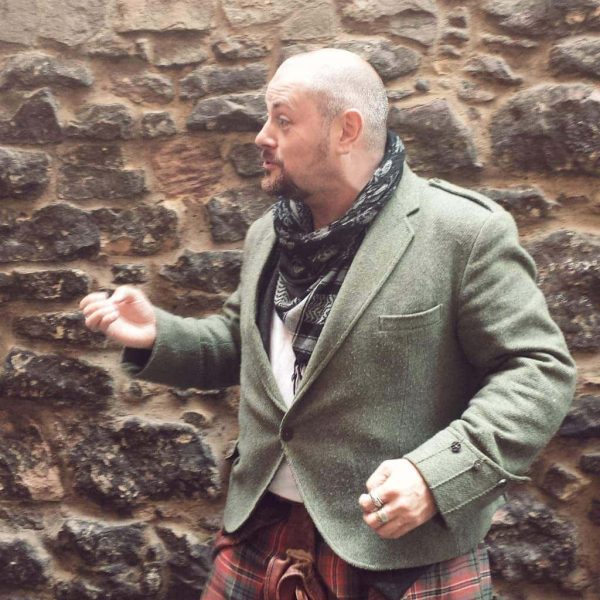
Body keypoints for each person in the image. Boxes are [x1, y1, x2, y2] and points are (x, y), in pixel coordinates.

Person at [80, 49, 576, 599]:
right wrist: (158, 334)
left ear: (347, 130)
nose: (261, 136)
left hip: (399, 555)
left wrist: (437, 476)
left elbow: (538, 370)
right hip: (261, 532)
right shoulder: (268, 235)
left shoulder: (461, 232)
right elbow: (248, 347)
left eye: (283, 119)